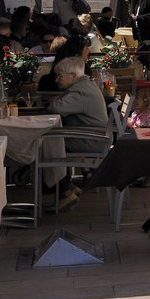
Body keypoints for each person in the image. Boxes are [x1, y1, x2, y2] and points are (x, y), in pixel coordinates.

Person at [45, 56, 111, 212]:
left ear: (72, 76)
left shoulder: (80, 91)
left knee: (44, 143)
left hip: (92, 140)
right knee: (49, 141)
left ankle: (64, 192)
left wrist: (54, 101)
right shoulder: (84, 85)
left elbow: (57, 108)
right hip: (93, 136)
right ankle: (67, 186)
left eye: (59, 76)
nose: (56, 80)